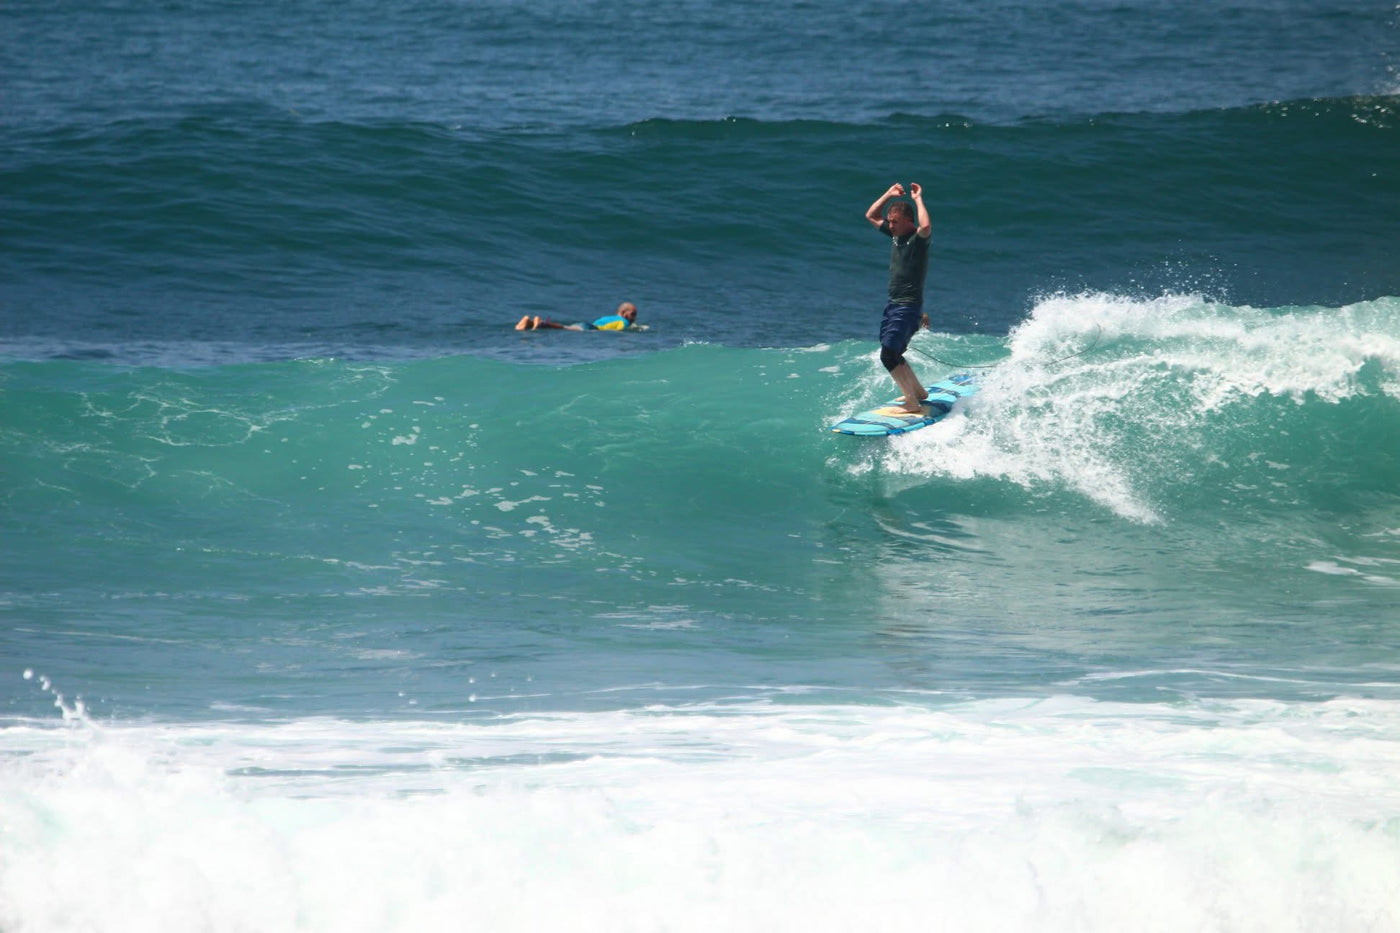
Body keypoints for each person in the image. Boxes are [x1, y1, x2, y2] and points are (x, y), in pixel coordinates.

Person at [865, 182, 932, 413]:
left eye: (895, 222)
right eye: (890, 222)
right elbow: (871, 215)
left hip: (907, 307)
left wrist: (918, 198)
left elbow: (926, 225)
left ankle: (911, 402)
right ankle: (920, 392)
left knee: (888, 355)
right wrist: (889, 194)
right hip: (894, 305)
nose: (890, 225)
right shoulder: (895, 236)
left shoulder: (917, 240)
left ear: (908, 221)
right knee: (893, 352)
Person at [516, 302, 640, 331]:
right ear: (624, 313)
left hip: (589, 324)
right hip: (591, 328)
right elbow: (620, 331)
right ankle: (542, 323)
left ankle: (529, 323)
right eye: (633, 314)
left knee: (566, 327)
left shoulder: (609, 317)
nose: (634, 317)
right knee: (565, 328)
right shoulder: (624, 321)